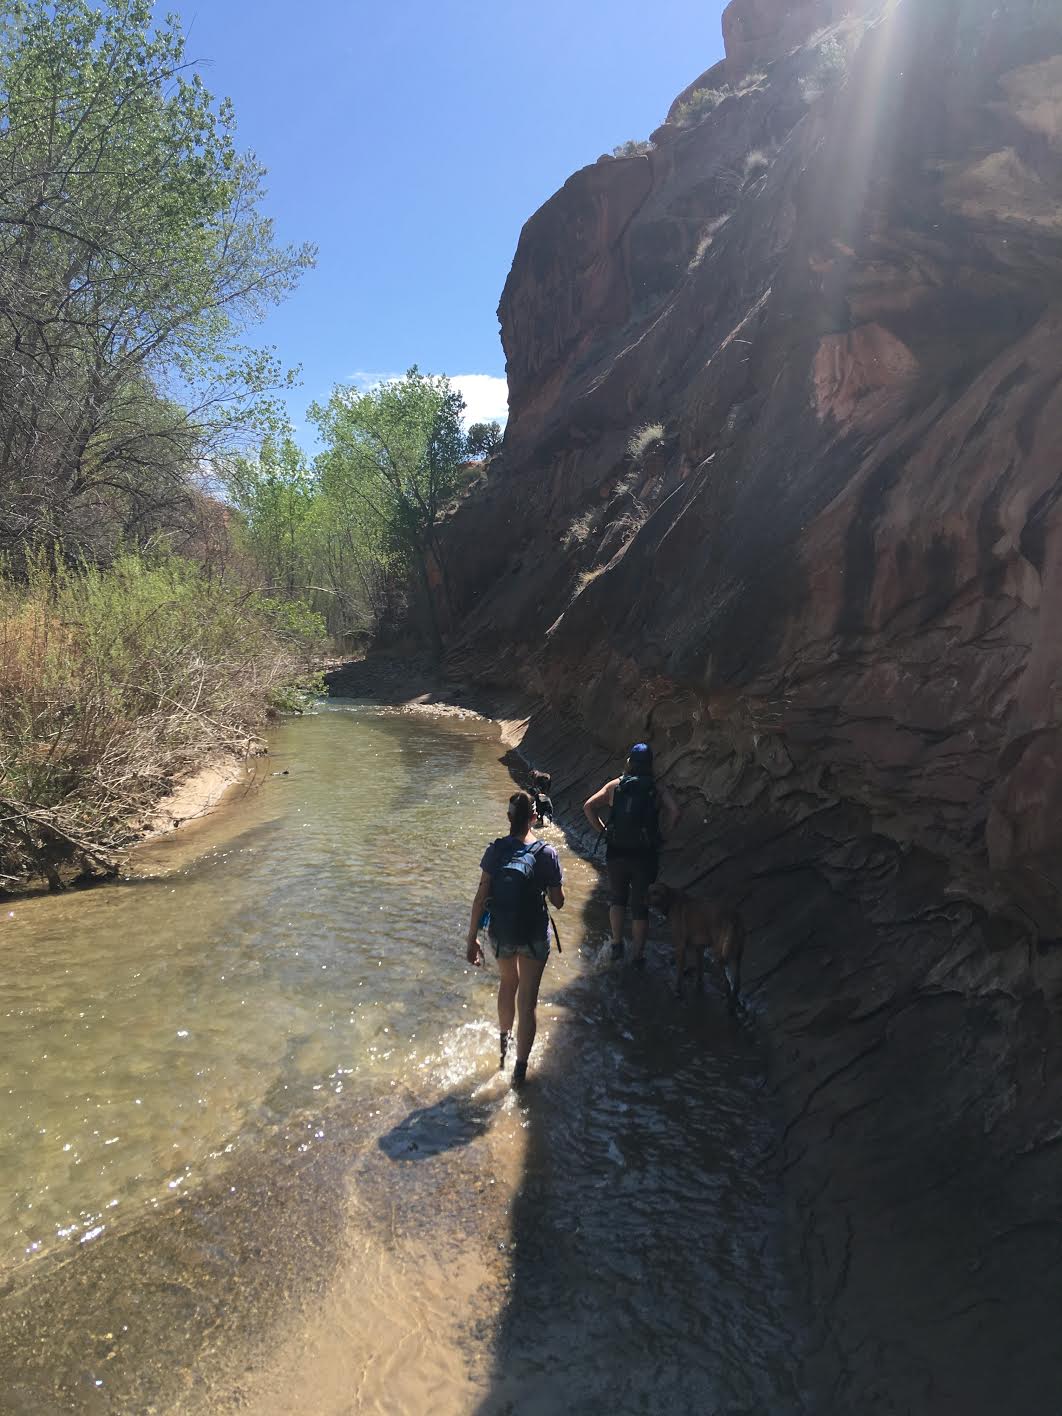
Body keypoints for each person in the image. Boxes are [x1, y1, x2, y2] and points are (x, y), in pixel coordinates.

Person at [466, 791, 564, 1088]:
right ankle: (520, 1072)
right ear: (534, 818)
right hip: (534, 934)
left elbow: (481, 898)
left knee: (508, 983)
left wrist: (471, 940)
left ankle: (503, 1049)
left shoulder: (495, 851)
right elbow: (558, 902)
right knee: (528, 1000)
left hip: (502, 932)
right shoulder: (546, 854)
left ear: (508, 818)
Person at [583, 743, 679, 966]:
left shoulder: (615, 786)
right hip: (645, 855)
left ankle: (617, 944)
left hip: (616, 851)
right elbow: (675, 812)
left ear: (629, 762)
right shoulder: (657, 789)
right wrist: (663, 836)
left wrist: (604, 831)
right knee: (640, 906)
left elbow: (588, 807)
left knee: (617, 898)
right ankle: (637, 956)